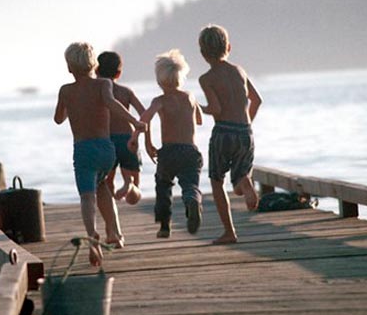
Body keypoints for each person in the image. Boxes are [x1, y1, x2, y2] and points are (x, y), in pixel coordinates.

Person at [54, 42, 146, 266]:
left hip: (84, 150)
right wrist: (134, 121)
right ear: (93, 64)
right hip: (106, 150)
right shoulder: (104, 84)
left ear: (69, 68)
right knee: (103, 185)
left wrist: (70, 106)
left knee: (88, 196)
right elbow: (112, 104)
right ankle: (113, 233)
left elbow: (58, 119)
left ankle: (92, 235)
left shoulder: (66, 91)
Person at [198, 24, 263, 245]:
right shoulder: (240, 71)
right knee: (239, 178)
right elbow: (257, 100)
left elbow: (215, 109)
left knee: (217, 181)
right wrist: (246, 125)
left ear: (203, 54)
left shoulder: (206, 79)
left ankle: (229, 232)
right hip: (245, 132)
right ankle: (244, 182)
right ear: (229, 47)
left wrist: (197, 108)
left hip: (223, 132)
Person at [129, 49, 203, 239]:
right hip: (190, 151)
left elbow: (144, 120)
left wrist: (140, 140)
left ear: (159, 81)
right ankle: (192, 200)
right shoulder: (190, 97)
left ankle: (164, 227)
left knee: (163, 187)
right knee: (190, 184)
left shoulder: (159, 101)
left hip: (168, 152)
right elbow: (200, 120)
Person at [96, 51, 145, 209]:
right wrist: (137, 136)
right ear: (118, 73)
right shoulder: (126, 92)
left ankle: (111, 210)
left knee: (106, 181)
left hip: (106, 140)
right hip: (127, 139)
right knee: (134, 195)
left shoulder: (96, 93)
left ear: (96, 70)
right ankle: (130, 186)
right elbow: (144, 115)